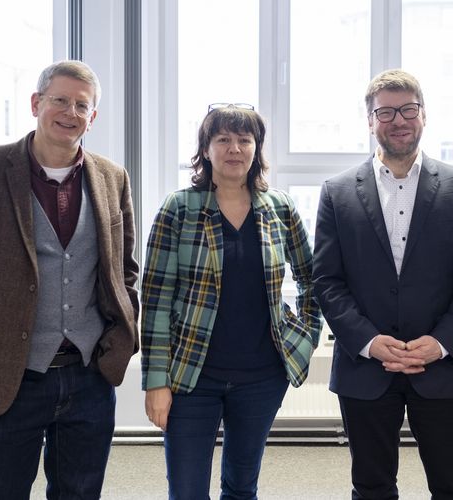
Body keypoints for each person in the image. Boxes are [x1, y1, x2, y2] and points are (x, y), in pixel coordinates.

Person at [0, 60, 140, 499]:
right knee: (0, 492)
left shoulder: (112, 178)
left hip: (88, 375)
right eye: (59, 100)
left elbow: (124, 272)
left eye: (81, 105)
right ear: (36, 103)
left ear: (93, 117)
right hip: (9, 375)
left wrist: (120, 344)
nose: (70, 112)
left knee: (80, 494)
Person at [313, 69, 453, 499]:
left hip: (443, 366)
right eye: (386, 112)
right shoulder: (337, 192)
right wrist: (370, 341)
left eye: (408, 109)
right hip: (366, 366)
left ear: (424, 115)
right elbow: (327, 280)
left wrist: (441, 342)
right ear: (370, 121)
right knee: (371, 486)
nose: (398, 120)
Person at [141, 103, 322, 500]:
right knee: (187, 492)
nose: (234, 148)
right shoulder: (179, 208)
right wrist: (156, 381)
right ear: (205, 149)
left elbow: (314, 280)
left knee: (242, 488)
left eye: (244, 139)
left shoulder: (280, 209)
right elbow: (154, 300)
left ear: (257, 149)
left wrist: (304, 339)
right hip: (191, 377)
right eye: (222, 139)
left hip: (261, 377)